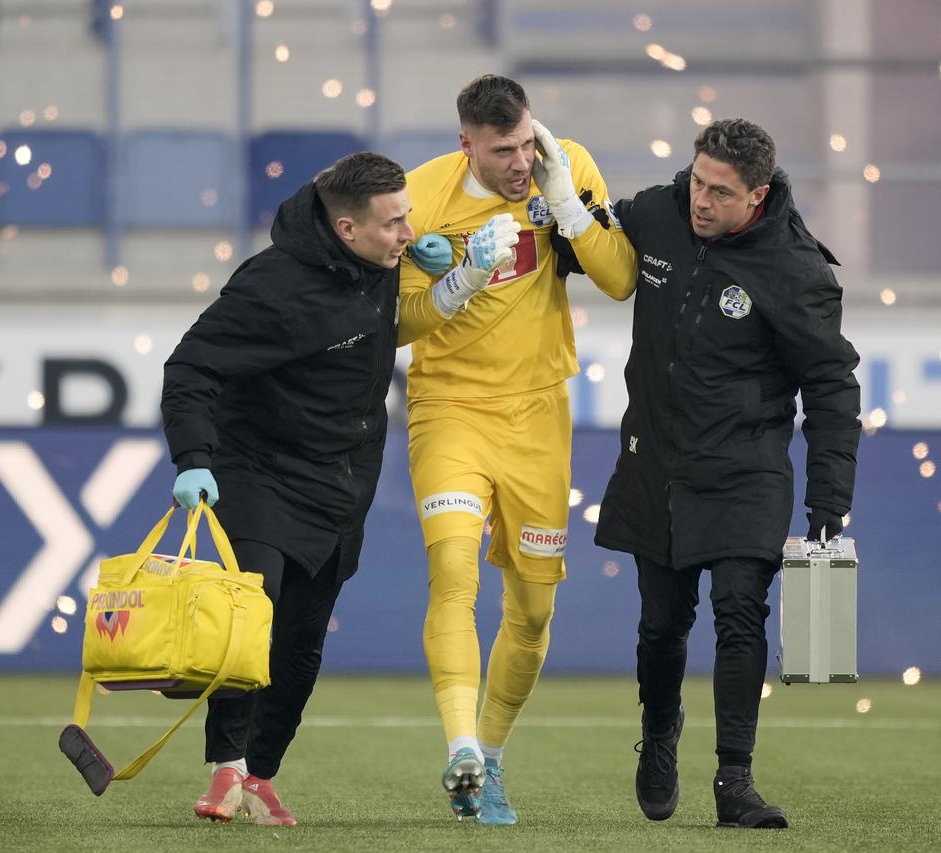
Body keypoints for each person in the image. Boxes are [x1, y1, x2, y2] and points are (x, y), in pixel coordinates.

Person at [160, 152, 519, 826]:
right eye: (394, 224)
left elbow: (396, 322)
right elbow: (189, 367)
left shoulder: (382, 262)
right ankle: (225, 766)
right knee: (250, 614)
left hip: (340, 481)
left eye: (410, 216)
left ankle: (262, 775)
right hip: (258, 468)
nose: (409, 232)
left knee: (300, 642)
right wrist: (192, 458)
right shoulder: (269, 287)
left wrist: (456, 269)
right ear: (346, 229)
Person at [592, 119, 862, 829]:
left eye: (720, 192)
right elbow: (578, 245)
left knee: (741, 614)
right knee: (661, 626)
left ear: (758, 195)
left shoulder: (797, 270)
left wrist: (830, 501)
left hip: (745, 469)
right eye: (697, 180)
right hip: (658, 464)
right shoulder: (657, 211)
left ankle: (735, 780)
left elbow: (833, 385)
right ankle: (658, 734)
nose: (700, 202)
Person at [395, 74, 633, 824]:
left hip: (539, 413)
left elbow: (621, 278)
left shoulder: (569, 165)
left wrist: (568, 205)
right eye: (503, 151)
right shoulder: (418, 197)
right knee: (455, 570)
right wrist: (457, 282)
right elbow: (391, 326)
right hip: (450, 409)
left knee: (532, 610)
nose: (520, 161)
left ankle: (492, 757)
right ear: (466, 143)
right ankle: (461, 745)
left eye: (527, 141)